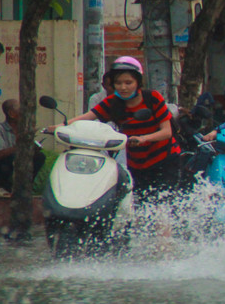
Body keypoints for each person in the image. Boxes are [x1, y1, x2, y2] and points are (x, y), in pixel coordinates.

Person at [52, 56, 182, 201]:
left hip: (164, 158)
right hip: (136, 162)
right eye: (118, 83)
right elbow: (89, 116)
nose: (123, 87)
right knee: (139, 204)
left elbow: (167, 131)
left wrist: (143, 138)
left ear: (138, 82)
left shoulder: (153, 98)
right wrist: (61, 126)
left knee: (163, 203)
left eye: (128, 82)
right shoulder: (112, 102)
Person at [0, 99, 45, 196]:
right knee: (12, 157)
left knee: (40, 156)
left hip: (15, 166)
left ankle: (23, 188)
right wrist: (20, 146)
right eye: (21, 110)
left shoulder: (22, 129)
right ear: (11, 113)